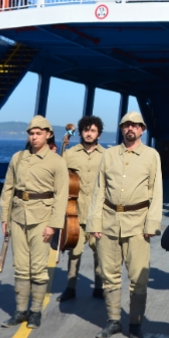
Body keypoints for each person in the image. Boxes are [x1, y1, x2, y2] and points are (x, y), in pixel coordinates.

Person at [87, 111, 163, 338]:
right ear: (121, 129)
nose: (131, 128)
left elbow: (156, 191)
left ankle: (136, 324)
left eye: (135, 125)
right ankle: (113, 320)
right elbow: (99, 190)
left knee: (138, 277)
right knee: (109, 275)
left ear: (142, 129)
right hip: (109, 222)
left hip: (138, 224)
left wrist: (152, 224)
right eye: (126, 125)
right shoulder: (109, 155)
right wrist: (94, 222)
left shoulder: (151, 156)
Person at [0, 116, 69, 329]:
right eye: (31, 133)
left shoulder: (57, 162)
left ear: (48, 135)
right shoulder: (17, 158)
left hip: (42, 219)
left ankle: (35, 311)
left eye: (39, 133)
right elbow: (8, 189)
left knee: (38, 268)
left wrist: (53, 225)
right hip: (18, 217)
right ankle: (20, 311)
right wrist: (4, 217)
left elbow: (61, 195)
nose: (34, 137)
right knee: (20, 267)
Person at [57, 116, 106, 302]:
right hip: (75, 212)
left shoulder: (106, 155)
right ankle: (71, 287)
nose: (89, 133)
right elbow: (60, 180)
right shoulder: (69, 154)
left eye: (93, 130)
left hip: (97, 213)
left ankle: (99, 287)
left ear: (98, 134)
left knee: (99, 251)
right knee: (74, 251)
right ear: (81, 132)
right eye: (86, 130)